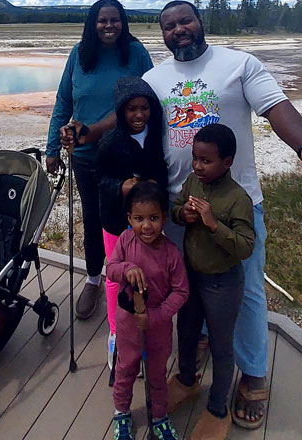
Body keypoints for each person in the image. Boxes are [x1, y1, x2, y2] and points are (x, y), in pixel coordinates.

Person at [142, 0, 302, 429]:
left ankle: (253, 375)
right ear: (163, 34)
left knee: (244, 292)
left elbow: (276, 108)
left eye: (185, 20)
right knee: (185, 287)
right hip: (178, 206)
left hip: (236, 204)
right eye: (169, 26)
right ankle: (192, 366)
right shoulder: (153, 79)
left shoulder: (239, 64)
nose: (178, 30)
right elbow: (133, 126)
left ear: (200, 22)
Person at [46, 0, 153, 320]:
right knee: (92, 219)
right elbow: (64, 101)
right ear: (92, 24)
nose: (109, 26)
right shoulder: (79, 55)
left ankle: (132, 281)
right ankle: (94, 278)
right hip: (86, 157)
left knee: (131, 221)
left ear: (124, 23)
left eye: (115, 20)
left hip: (128, 155)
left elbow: (149, 100)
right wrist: (52, 148)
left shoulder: (136, 54)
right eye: (102, 20)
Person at [167, 124, 255, 440]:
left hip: (222, 283)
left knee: (220, 343)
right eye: (195, 158)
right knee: (187, 330)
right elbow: (176, 208)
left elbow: (246, 246)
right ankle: (187, 380)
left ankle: (218, 407)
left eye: (206, 161)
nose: (197, 166)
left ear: (227, 163)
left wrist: (213, 224)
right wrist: (184, 216)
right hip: (191, 275)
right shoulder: (193, 182)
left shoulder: (238, 198)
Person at [106, 181, 189, 440]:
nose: (146, 225)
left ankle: (159, 416)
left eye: (153, 218)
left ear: (165, 217)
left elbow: (181, 292)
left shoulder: (171, 254)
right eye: (139, 218)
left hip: (158, 324)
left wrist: (155, 316)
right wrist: (127, 269)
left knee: (156, 372)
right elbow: (111, 269)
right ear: (129, 218)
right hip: (128, 321)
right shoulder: (125, 241)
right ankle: (122, 412)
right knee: (126, 367)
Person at [96, 76, 168, 368]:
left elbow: (162, 170)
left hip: (148, 221)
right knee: (116, 276)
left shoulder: (155, 135)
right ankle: (116, 330)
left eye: (144, 108)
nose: (139, 115)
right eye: (131, 109)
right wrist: (120, 188)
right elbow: (99, 180)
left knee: (148, 271)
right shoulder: (110, 141)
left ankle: (145, 321)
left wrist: (155, 184)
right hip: (116, 220)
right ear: (120, 111)